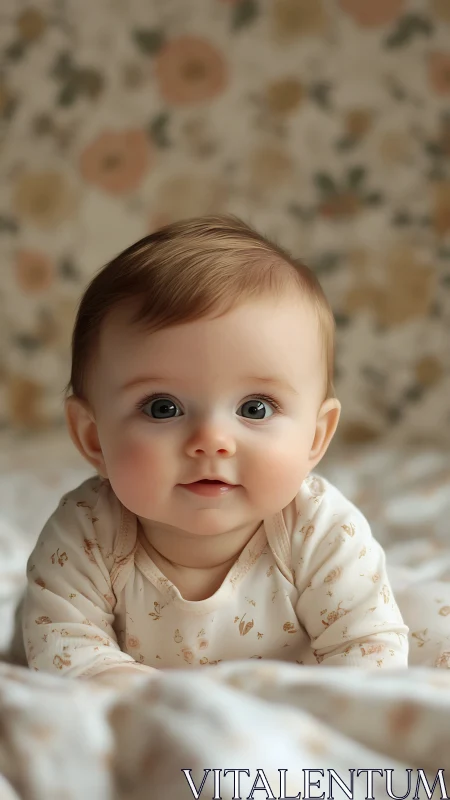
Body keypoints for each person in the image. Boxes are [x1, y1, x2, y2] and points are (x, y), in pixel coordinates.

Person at [22, 215, 408, 689]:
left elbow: (369, 653)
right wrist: (177, 709)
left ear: (315, 436)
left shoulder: (319, 530)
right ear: (93, 438)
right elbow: (69, 656)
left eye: (255, 407)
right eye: (163, 408)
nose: (212, 439)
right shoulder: (85, 535)